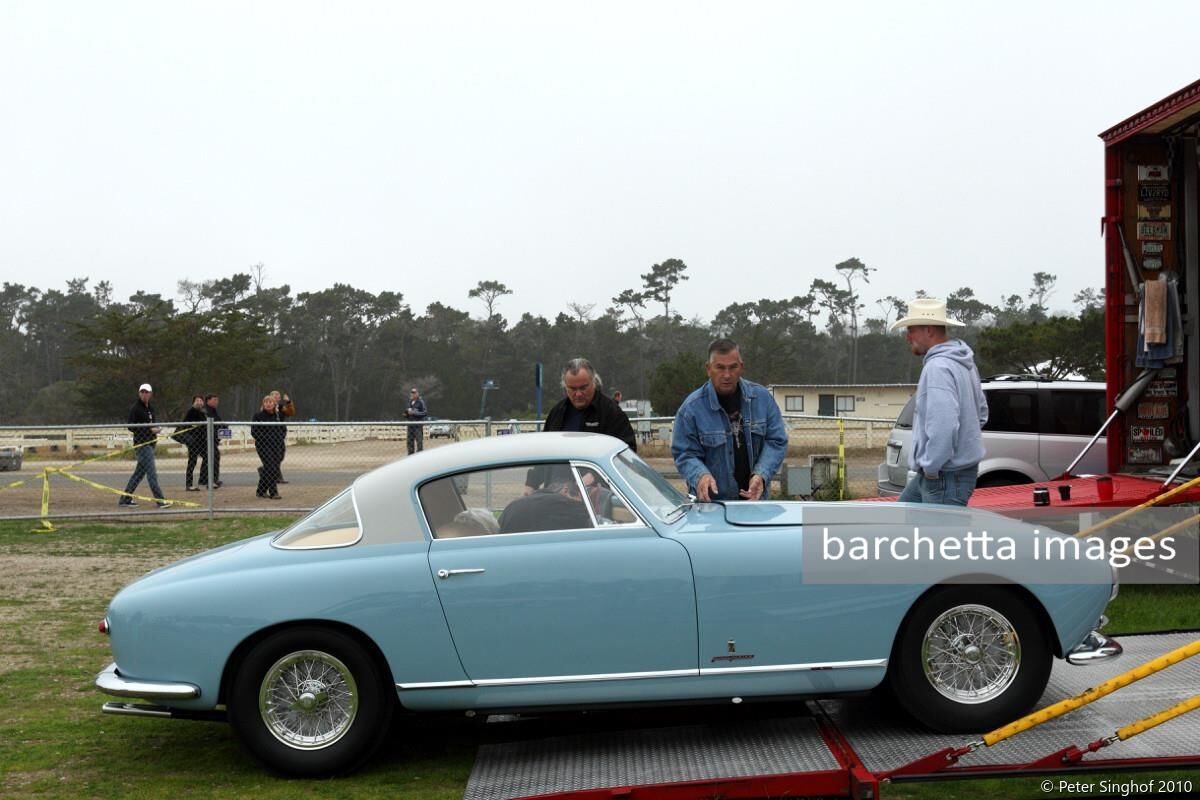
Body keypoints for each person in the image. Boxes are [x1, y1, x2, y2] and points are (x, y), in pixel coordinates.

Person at [890, 298, 988, 506]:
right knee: (903, 520)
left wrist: (933, 467)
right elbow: (981, 413)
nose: (908, 337)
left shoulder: (937, 368)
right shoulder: (963, 362)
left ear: (929, 330)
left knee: (940, 538)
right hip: (949, 473)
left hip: (943, 475)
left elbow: (944, 425)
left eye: (911, 330)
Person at [672, 339, 788, 502]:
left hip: (755, 503)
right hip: (711, 508)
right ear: (708, 369)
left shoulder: (763, 399)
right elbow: (684, 453)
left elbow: (776, 441)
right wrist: (700, 475)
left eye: (733, 367)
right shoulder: (691, 409)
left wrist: (761, 474)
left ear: (741, 367)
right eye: (720, 367)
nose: (727, 375)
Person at [524, 358, 636, 493]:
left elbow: (627, 453)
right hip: (556, 494)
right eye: (572, 389)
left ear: (594, 383)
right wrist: (531, 482)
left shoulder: (611, 413)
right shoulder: (557, 413)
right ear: (565, 387)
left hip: (596, 496)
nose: (578, 394)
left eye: (583, 388)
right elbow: (545, 453)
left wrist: (596, 475)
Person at [119, 383, 172, 508]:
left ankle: (125, 499)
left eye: (146, 392)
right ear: (139, 393)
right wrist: (149, 430)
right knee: (152, 474)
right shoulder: (135, 408)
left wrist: (155, 430)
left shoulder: (150, 409)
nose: (144, 394)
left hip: (150, 444)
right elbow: (131, 426)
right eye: (142, 392)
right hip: (142, 445)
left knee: (138, 474)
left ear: (150, 394)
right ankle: (160, 501)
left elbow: (152, 424)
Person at [500, 477, 593, 533]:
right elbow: (586, 518)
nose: (580, 505)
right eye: (579, 502)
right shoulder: (562, 503)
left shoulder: (515, 505)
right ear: (565, 490)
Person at [251, 394, 285, 499]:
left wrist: (280, 437)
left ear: (274, 404)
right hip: (263, 446)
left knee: (270, 468)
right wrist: (267, 437)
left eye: (270, 402)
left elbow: (283, 429)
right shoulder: (258, 416)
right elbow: (254, 432)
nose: (268, 404)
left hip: (277, 445)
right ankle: (273, 492)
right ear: (263, 404)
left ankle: (260, 491)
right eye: (266, 402)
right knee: (271, 467)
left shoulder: (278, 416)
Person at [175, 395, 207, 491]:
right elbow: (185, 425)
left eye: (201, 400)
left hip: (201, 442)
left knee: (208, 457)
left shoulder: (202, 413)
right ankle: (189, 485)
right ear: (193, 402)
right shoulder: (191, 412)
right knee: (192, 462)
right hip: (193, 442)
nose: (199, 402)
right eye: (197, 400)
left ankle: (204, 479)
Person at [197, 393, 225, 489]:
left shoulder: (214, 411)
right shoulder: (204, 411)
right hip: (204, 440)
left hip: (213, 439)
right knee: (213, 457)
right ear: (208, 401)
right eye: (214, 400)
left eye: (217, 400)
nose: (216, 402)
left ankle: (204, 479)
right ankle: (211, 480)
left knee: (209, 458)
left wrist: (225, 428)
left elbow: (220, 422)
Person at [270, 390, 295, 482]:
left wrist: (288, 402)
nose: (277, 397)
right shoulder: (267, 407)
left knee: (280, 455)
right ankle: (277, 477)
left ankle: (269, 471)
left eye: (278, 396)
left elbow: (291, 412)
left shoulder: (280, 407)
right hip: (271, 435)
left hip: (280, 434)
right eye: (275, 396)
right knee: (274, 456)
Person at [406, 387, 427, 455]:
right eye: (412, 393)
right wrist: (406, 414)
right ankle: (410, 455)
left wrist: (415, 413)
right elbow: (406, 413)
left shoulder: (421, 402)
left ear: (417, 393)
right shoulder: (409, 402)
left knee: (419, 442)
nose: (413, 394)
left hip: (418, 425)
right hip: (410, 425)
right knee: (409, 442)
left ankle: (419, 456)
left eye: (414, 393)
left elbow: (425, 412)